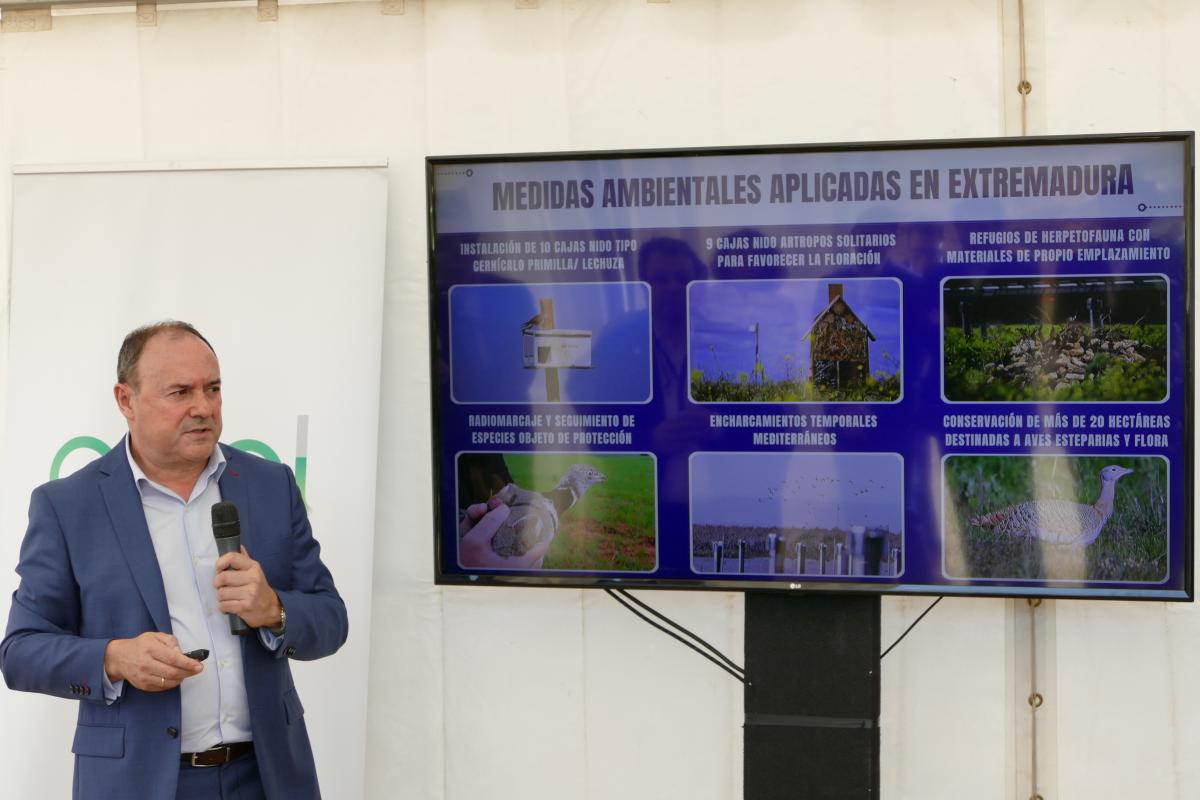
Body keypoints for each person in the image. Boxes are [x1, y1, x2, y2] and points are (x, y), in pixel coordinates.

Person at [0, 321, 348, 799]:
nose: (203, 408)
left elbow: (331, 619)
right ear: (126, 401)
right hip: (139, 784)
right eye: (180, 392)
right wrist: (114, 658)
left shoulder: (270, 485)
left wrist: (274, 611)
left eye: (213, 389)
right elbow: (20, 652)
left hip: (267, 777)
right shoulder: (67, 506)